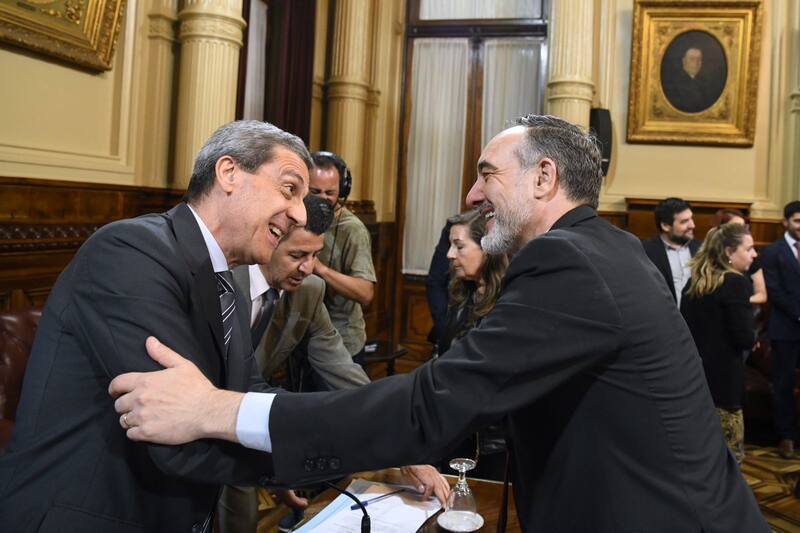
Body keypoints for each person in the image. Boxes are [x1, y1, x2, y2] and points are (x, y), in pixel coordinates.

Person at [110, 115, 769, 532]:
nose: (473, 195)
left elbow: (433, 401)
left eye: (486, 174)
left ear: (545, 177)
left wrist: (218, 410)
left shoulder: (569, 260)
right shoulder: (612, 248)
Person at [0, 120, 312, 533]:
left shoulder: (227, 286)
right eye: (290, 189)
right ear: (229, 173)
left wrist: (313, 444)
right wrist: (317, 451)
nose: (300, 214)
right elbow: (178, 435)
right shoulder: (130, 251)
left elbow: (247, 391)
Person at [221, 197, 445, 532]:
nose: (308, 268)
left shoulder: (309, 292)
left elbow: (346, 375)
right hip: (195, 420)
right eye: (297, 255)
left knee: (243, 520)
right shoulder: (223, 281)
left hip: (247, 426)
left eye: (315, 255)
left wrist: (403, 449)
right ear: (270, 238)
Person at [438, 208, 508, 480]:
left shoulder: (509, 301)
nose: (450, 255)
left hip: (492, 442)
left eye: (459, 246)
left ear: (488, 249)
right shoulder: (461, 294)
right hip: (454, 429)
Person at [681, 223, 758, 463]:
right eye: (749, 249)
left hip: (695, 380)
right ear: (729, 252)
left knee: (700, 454)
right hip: (725, 383)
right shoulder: (736, 282)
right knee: (729, 458)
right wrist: (753, 338)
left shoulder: (695, 282)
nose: (755, 254)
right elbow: (744, 337)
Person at [308, 151, 377, 361]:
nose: (322, 198)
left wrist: (320, 269)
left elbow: (365, 293)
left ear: (343, 190)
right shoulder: (297, 217)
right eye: (315, 191)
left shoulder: (353, 230)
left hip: (342, 343)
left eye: (330, 192)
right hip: (304, 338)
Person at [760, 200, 800, 459]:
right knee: (783, 384)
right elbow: (774, 291)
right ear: (785, 222)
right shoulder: (772, 252)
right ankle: (786, 435)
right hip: (785, 329)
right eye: (797, 221)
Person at [641, 197, 700, 305]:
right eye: (684, 221)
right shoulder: (645, 251)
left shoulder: (702, 248)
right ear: (665, 226)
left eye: (691, 219)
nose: (692, 225)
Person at [714, 208, 767, 304]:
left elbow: (762, 295)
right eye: (736, 227)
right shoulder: (712, 258)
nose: (742, 232)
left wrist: (738, 302)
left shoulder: (752, 258)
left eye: (744, 227)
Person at [425, 221, 452, 350]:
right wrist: (443, 327)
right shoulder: (451, 227)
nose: (451, 254)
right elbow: (435, 282)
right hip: (450, 324)